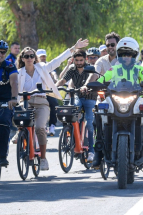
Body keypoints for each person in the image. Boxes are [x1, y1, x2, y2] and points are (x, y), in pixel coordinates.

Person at [15, 40, 88, 170]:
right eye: (27, 56)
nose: (30, 58)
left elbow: (57, 60)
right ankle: (19, 132)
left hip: (42, 102)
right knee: (18, 117)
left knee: (39, 128)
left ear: (35, 58)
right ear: (22, 58)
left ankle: (43, 159)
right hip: (25, 102)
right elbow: (13, 88)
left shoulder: (42, 68)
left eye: (32, 56)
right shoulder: (18, 73)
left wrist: (74, 47)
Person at [93, 37, 143, 170]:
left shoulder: (141, 70)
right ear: (119, 55)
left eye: (129, 54)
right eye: (123, 54)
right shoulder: (114, 70)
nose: (126, 57)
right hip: (116, 99)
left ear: (134, 55)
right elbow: (102, 80)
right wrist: (92, 85)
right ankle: (98, 151)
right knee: (99, 114)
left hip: (135, 100)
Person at [56, 49, 95, 162]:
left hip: (89, 99)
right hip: (77, 96)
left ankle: (91, 151)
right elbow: (63, 80)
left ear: (85, 59)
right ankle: (74, 140)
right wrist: (55, 87)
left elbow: (92, 79)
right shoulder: (72, 69)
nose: (78, 62)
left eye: (81, 60)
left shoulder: (90, 69)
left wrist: (86, 87)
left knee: (89, 123)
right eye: (76, 60)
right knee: (71, 114)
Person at [36, 49, 59, 136]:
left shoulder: (49, 65)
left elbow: (53, 73)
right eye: (41, 57)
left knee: (54, 104)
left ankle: (52, 125)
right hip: (36, 91)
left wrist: (56, 80)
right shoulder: (34, 66)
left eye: (44, 56)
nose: (43, 58)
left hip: (47, 91)